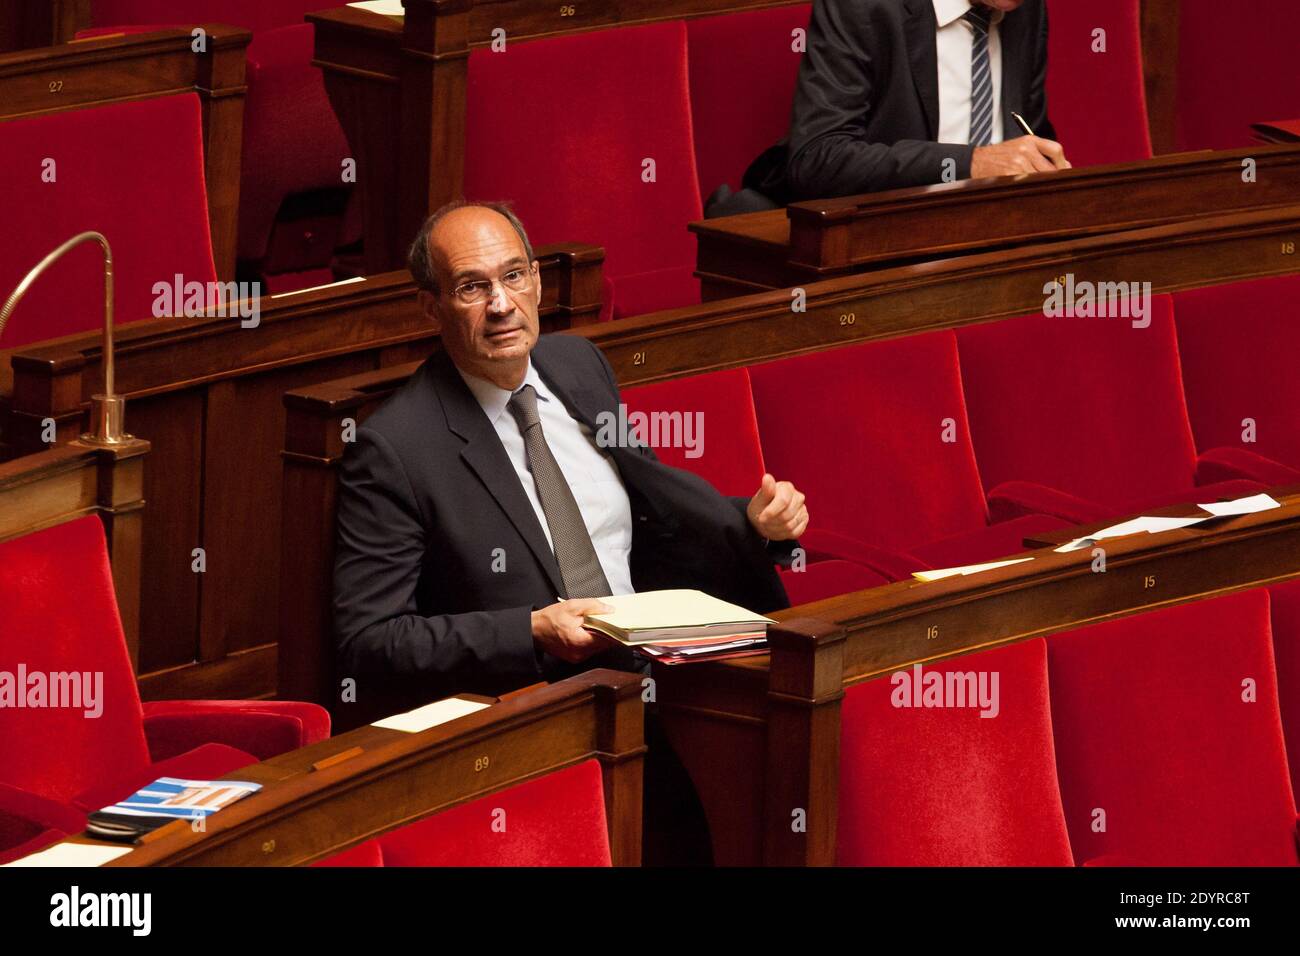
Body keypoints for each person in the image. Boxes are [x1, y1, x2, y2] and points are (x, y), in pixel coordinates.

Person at [333, 201, 809, 710]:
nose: (501, 304)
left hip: (661, 669)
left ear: (537, 281)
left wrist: (753, 523)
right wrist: (530, 629)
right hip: (542, 704)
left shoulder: (577, 365)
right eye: (472, 287)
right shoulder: (396, 448)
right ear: (432, 307)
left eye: (513, 275)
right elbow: (369, 640)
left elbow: (651, 516)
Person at [739, 0, 1070, 208]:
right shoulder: (864, 7)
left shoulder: (1026, 11)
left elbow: (1030, 136)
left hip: (997, 239)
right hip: (883, 243)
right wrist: (971, 163)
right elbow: (817, 159)